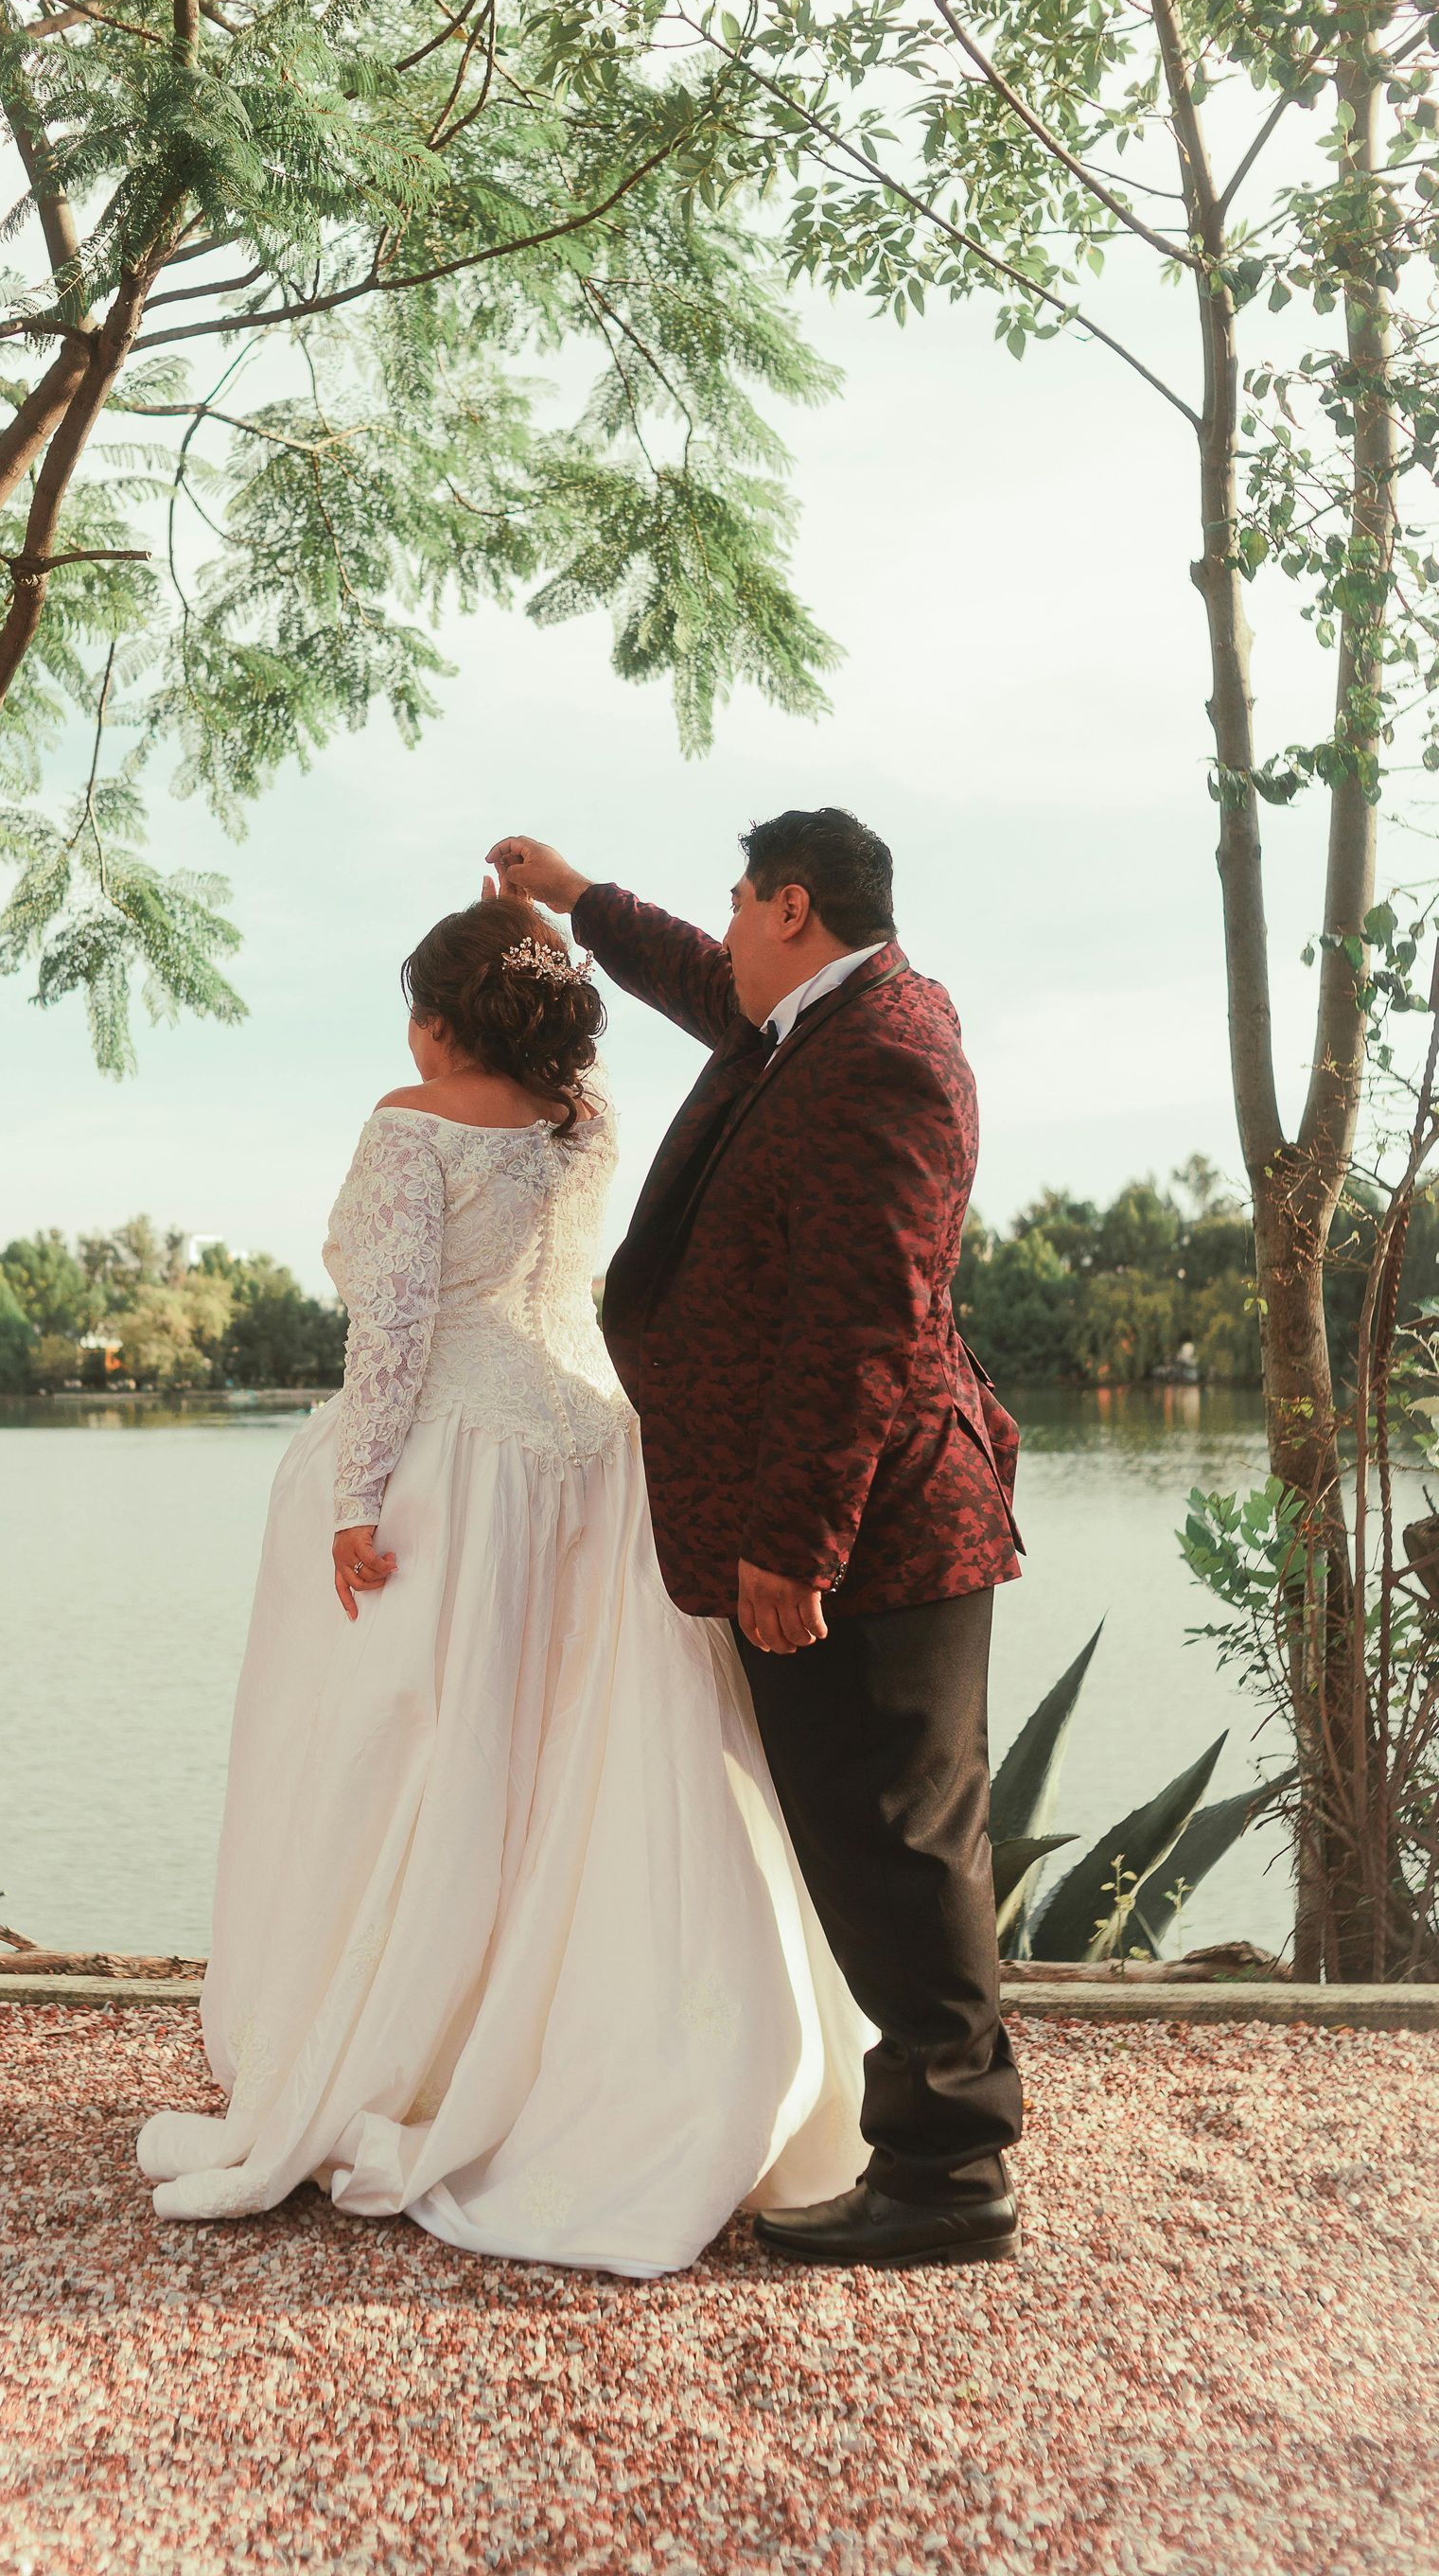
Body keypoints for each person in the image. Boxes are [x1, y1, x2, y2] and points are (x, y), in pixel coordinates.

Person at [138, 892, 870, 2278]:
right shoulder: (580, 1121)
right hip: (596, 1454)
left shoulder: (411, 1118)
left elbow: (396, 1324)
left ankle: (412, 2046)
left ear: (433, 1016)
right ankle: (626, 2060)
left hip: (455, 1469)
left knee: (414, 1757)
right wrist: (540, 916)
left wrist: (357, 1501)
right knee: (588, 1771)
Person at [486, 811, 1025, 2271]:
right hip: (836, 1518)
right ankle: (929, 2142)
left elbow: (867, 1329)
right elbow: (692, 979)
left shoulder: (888, 1055)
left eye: (738, 901)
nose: (722, 927)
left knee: (900, 1840)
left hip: (873, 1529)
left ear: (794, 905)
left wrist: (795, 1548)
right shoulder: (811, 1020)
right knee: (875, 1836)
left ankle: (951, 2173)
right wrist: (573, 897)